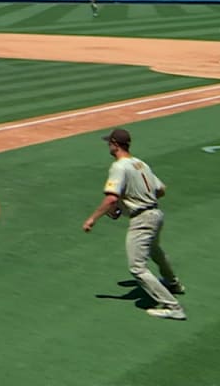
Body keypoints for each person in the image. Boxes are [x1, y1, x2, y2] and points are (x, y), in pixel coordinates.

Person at [82, 128, 186, 321]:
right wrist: (137, 197)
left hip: (142, 220)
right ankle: (173, 283)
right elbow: (161, 190)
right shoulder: (140, 163)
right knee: (156, 251)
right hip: (156, 214)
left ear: (115, 144)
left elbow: (111, 199)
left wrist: (92, 219)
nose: (108, 146)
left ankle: (173, 306)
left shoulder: (119, 167)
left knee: (137, 268)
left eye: (109, 143)